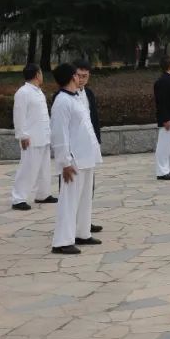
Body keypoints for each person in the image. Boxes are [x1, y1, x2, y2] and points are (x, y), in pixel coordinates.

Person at [50, 63, 102, 254]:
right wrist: (65, 162)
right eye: (76, 74)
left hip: (86, 156)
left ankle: (82, 232)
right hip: (74, 160)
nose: (79, 77)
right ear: (72, 77)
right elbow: (59, 134)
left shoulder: (76, 97)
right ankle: (62, 241)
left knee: (85, 198)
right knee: (69, 200)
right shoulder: (62, 101)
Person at [11, 63, 56, 210]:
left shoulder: (38, 92)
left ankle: (43, 194)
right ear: (37, 74)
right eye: (41, 72)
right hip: (31, 137)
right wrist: (22, 136)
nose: (42, 75)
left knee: (44, 168)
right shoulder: (23, 92)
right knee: (27, 168)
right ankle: (18, 198)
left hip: (43, 136)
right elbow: (19, 116)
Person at [73, 60, 103, 234]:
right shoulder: (66, 95)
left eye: (85, 76)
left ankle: (85, 222)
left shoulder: (89, 93)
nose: (82, 79)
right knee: (74, 189)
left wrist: (97, 141)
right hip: (75, 149)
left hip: (89, 146)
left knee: (88, 187)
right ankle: (72, 224)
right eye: (79, 75)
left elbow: (94, 119)